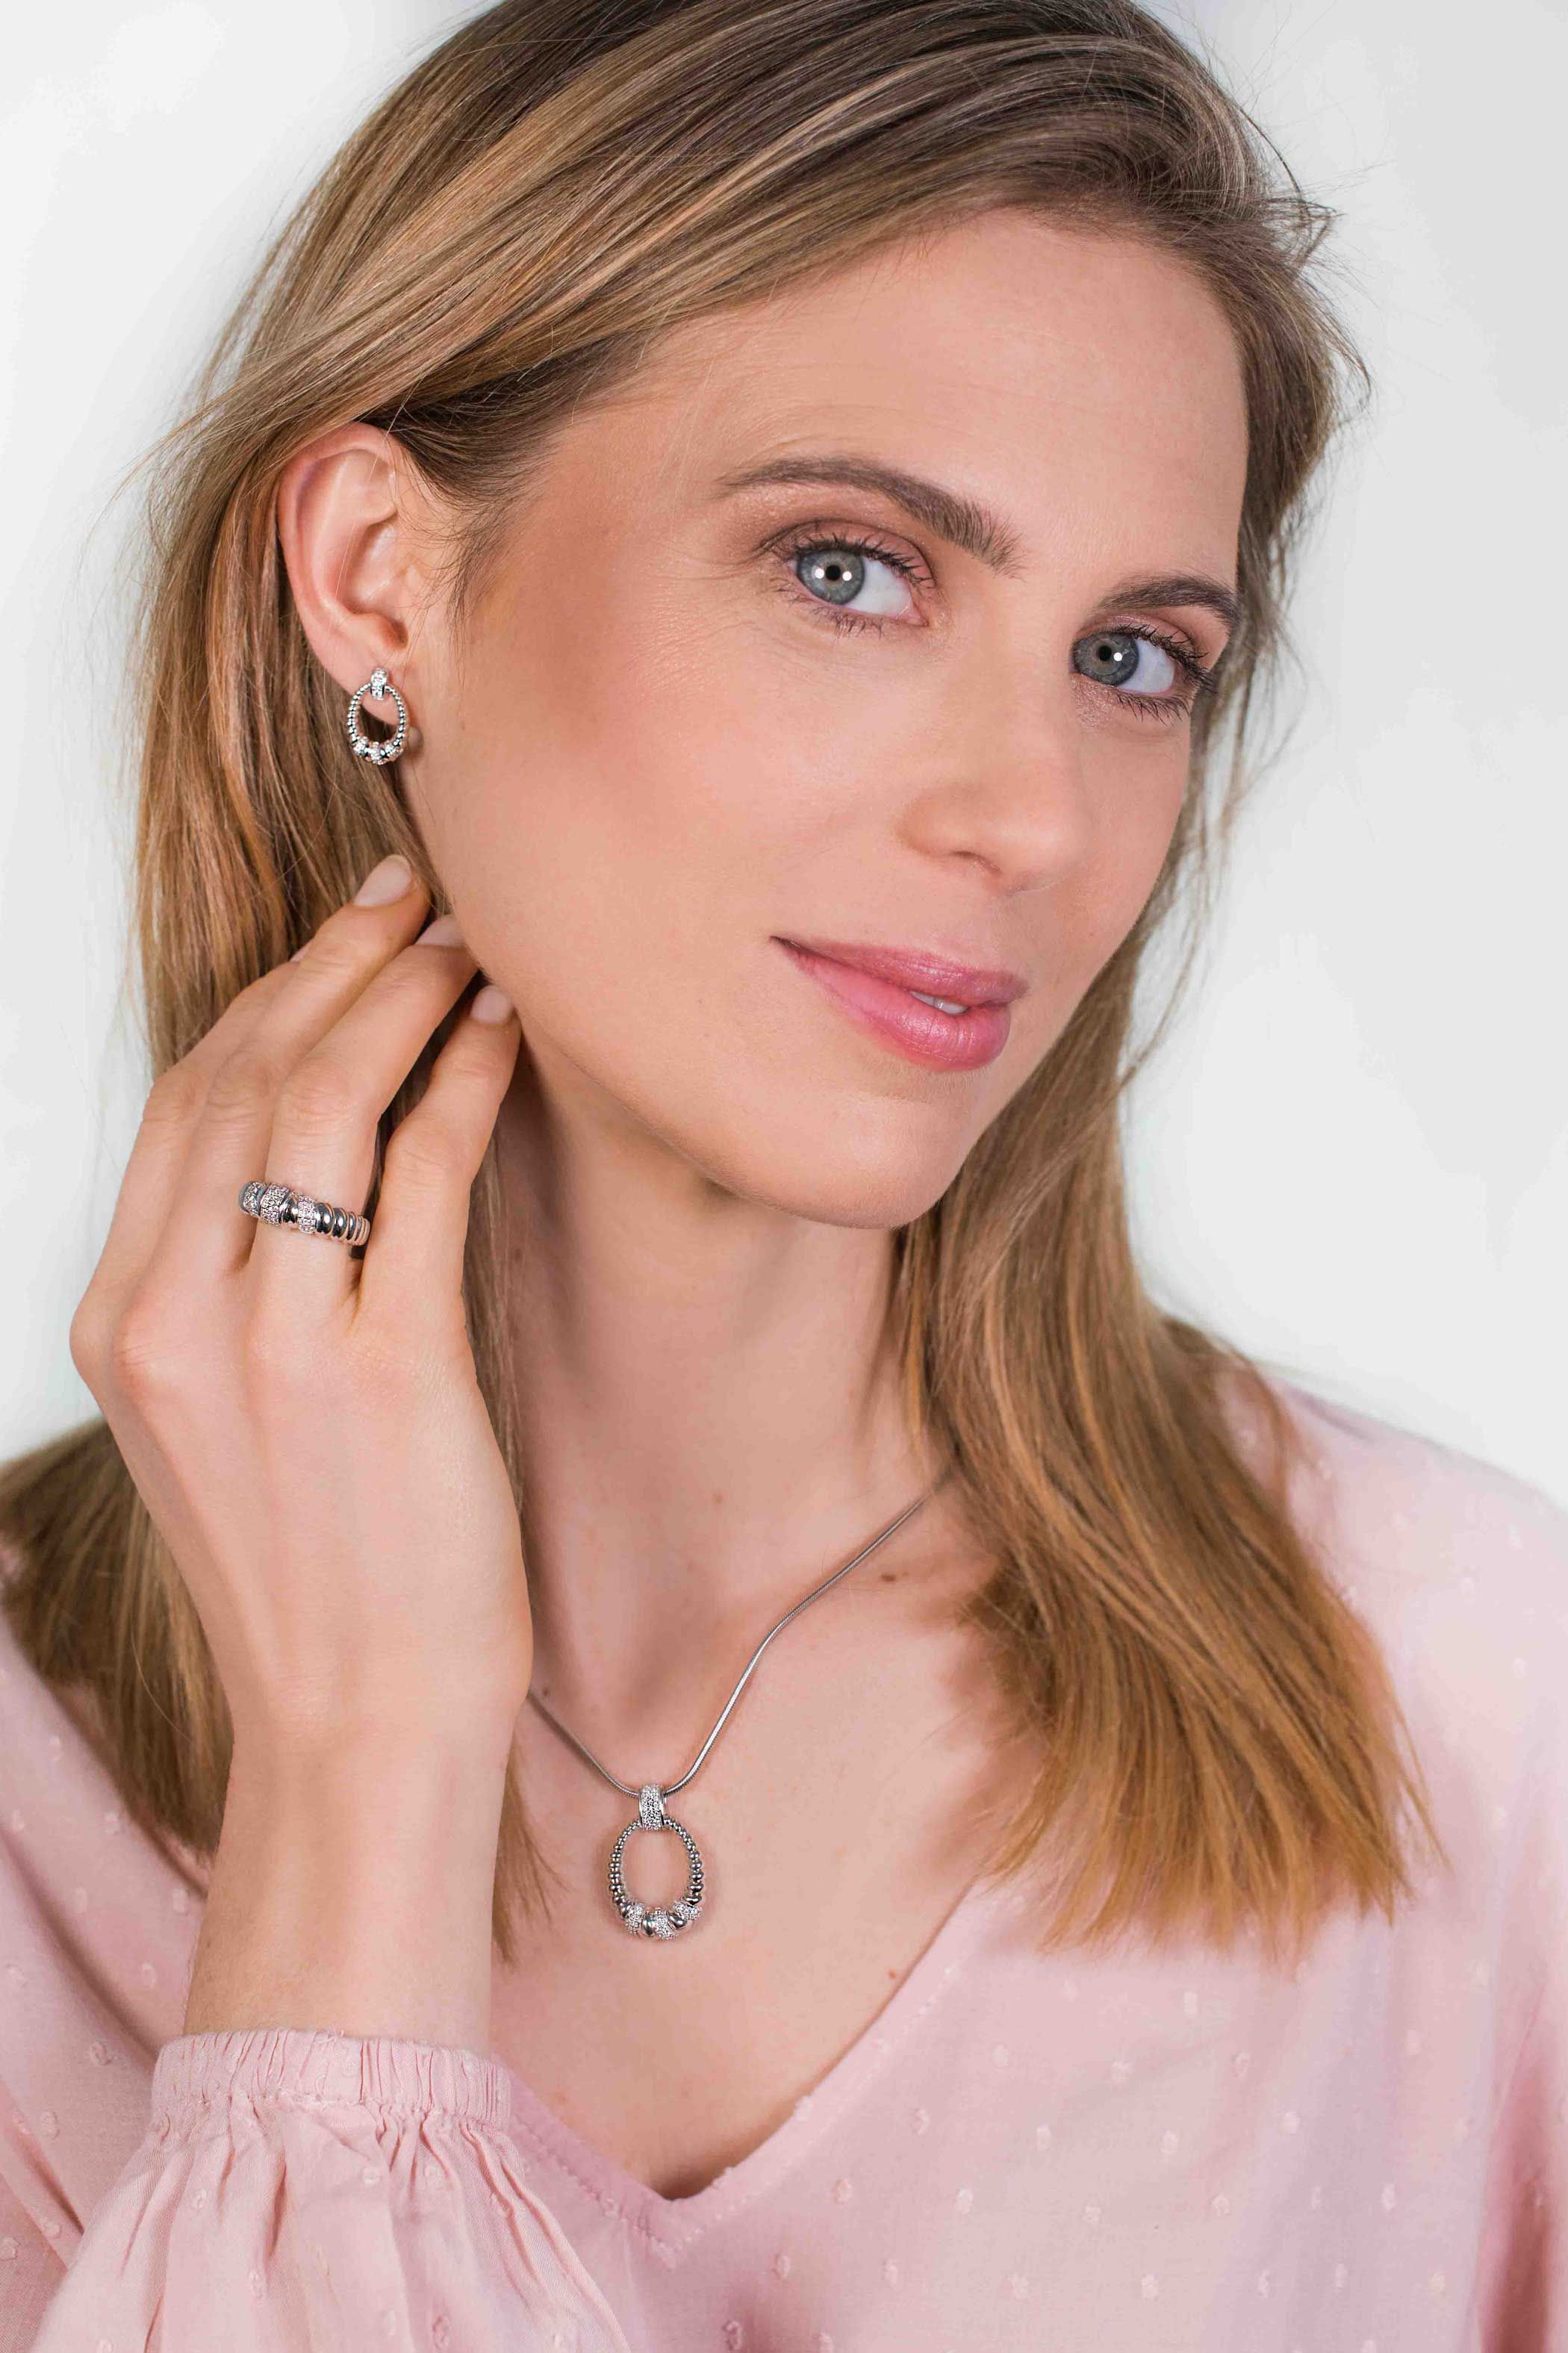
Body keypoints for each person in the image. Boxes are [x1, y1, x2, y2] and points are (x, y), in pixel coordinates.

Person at [1, 0, 1563, 2344]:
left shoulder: (1457, 1696)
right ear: (380, 574)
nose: (1030, 817)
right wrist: (355, 1790)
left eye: (1133, 659)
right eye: (849, 570)